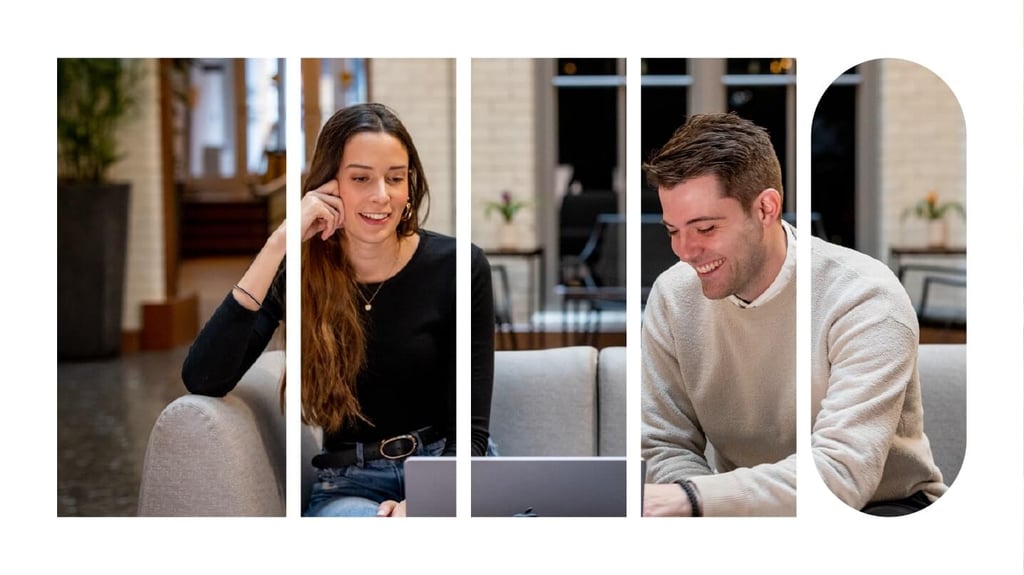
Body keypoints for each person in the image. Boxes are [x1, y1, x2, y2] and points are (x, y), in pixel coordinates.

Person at [182, 102, 493, 517]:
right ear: (329, 187)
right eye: (361, 178)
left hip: (447, 469)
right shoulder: (301, 272)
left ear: (409, 185)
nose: (381, 195)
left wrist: (427, 502)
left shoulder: (459, 267)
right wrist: (281, 242)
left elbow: (472, 429)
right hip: (350, 485)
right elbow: (204, 376)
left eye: (395, 178)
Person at [640, 112, 946, 517]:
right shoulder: (672, 296)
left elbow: (841, 474)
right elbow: (665, 446)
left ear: (766, 208)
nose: (684, 251)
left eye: (706, 228)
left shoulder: (866, 297)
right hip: (738, 516)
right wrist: (698, 509)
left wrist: (694, 499)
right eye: (673, 230)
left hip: (878, 509)